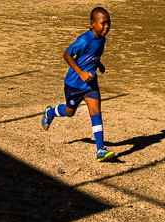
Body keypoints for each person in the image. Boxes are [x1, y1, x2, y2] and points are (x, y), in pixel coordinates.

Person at [41, 6, 116, 162]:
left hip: (90, 84)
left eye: (109, 23)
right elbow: (67, 54)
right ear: (93, 23)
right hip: (74, 84)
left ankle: (100, 150)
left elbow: (92, 55)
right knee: (69, 112)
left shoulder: (102, 39)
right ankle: (50, 113)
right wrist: (81, 73)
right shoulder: (84, 40)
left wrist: (99, 64)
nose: (107, 26)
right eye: (103, 23)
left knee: (96, 113)